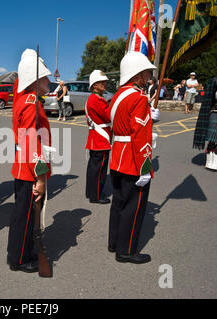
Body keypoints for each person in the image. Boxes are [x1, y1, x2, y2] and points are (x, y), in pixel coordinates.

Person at [7, 48, 53, 274]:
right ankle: (18, 259)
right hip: (29, 167)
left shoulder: (28, 99)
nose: (48, 80)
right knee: (23, 217)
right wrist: (41, 176)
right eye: (44, 77)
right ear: (35, 81)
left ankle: (22, 252)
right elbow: (31, 144)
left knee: (23, 215)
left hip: (23, 164)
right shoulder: (31, 102)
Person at [108, 51, 155, 264]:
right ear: (136, 75)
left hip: (117, 154)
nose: (148, 77)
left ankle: (114, 242)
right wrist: (145, 167)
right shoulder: (138, 98)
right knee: (134, 206)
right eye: (145, 73)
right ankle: (126, 250)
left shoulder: (117, 96)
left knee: (118, 201)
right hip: (132, 159)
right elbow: (141, 135)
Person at [85, 70, 112, 204]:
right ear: (94, 85)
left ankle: (91, 192)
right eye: (102, 83)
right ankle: (96, 195)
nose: (104, 85)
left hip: (97, 139)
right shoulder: (97, 100)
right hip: (100, 140)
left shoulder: (93, 98)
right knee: (99, 170)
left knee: (94, 169)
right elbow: (109, 116)